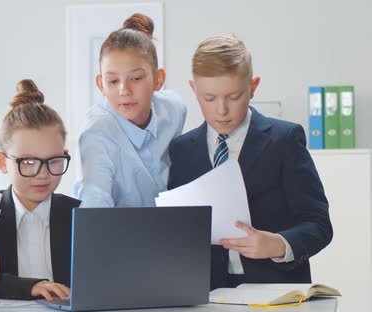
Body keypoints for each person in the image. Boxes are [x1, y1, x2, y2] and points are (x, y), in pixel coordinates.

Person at [167, 34, 333, 289]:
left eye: (233, 97)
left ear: (252, 87)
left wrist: (277, 244)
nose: (221, 109)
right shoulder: (181, 150)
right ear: (193, 89)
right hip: (205, 292)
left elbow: (319, 224)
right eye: (209, 98)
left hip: (276, 290)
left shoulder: (285, 140)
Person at [0, 79, 80, 300]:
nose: (42, 174)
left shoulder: (82, 215)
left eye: (54, 160)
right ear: (2, 162)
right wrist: (29, 287)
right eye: (28, 162)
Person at [75, 13, 187, 208]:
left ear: (158, 79)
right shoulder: (96, 133)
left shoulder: (174, 110)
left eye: (136, 78)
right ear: (101, 84)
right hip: (118, 233)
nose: (124, 90)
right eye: (113, 81)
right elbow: (95, 199)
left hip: (172, 227)